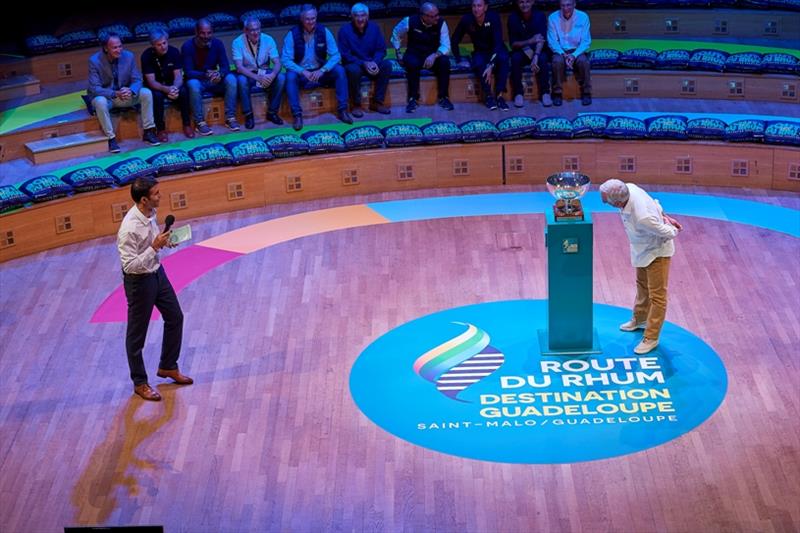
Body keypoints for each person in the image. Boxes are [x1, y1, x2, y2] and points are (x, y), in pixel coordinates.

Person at [117, 177, 193, 401]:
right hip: (139, 282)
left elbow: (152, 242)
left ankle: (168, 366)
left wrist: (165, 242)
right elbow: (129, 265)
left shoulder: (150, 214)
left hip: (157, 273)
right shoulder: (129, 229)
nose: (160, 196)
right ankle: (140, 382)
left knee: (175, 317)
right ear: (143, 199)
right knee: (136, 336)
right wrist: (154, 247)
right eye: (156, 194)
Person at [599, 179, 683, 355]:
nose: (604, 203)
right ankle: (640, 319)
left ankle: (651, 337)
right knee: (642, 285)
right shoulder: (629, 187)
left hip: (656, 252)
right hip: (640, 249)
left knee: (657, 296)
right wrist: (665, 216)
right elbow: (655, 204)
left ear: (618, 202)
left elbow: (669, 232)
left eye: (606, 201)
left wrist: (670, 225)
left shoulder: (643, 217)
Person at [282, 5, 353, 131]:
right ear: (301, 18)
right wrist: (302, 71)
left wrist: (323, 70)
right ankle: (297, 115)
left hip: (320, 72)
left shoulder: (324, 31)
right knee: (290, 76)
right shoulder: (292, 34)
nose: (311, 22)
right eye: (307, 19)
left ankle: (342, 110)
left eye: (313, 18)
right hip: (302, 73)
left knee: (340, 70)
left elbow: (336, 55)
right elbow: (285, 60)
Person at [88, 32, 160, 153]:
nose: (119, 50)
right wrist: (115, 93)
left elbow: (137, 80)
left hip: (125, 95)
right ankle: (111, 138)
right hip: (108, 98)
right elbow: (95, 88)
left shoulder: (129, 56)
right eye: (115, 47)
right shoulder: (94, 61)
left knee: (146, 92)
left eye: (120, 46)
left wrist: (130, 90)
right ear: (106, 48)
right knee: (100, 102)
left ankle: (148, 131)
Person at [391, 2, 454, 113]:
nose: (437, 18)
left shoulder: (441, 23)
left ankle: (444, 97)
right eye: (433, 16)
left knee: (445, 62)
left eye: (437, 14)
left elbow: (446, 45)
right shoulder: (409, 21)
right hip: (414, 53)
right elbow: (396, 33)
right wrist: (398, 52)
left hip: (432, 54)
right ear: (423, 16)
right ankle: (413, 98)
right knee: (412, 64)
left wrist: (434, 55)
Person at [182, 19, 240, 136]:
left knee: (231, 79)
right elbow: (188, 72)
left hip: (214, 80)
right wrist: (206, 75)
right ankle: (200, 122)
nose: (206, 36)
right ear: (197, 32)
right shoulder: (187, 46)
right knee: (192, 84)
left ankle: (230, 118)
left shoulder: (217, 43)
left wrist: (220, 74)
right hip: (199, 80)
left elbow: (225, 66)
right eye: (203, 33)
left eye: (209, 33)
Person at [451, 0, 509, 110]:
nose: (476, 9)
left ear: (485, 7)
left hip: (497, 49)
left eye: (479, 6)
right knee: (478, 63)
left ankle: (500, 96)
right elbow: (455, 40)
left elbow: (498, 42)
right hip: (480, 51)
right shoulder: (466, 20)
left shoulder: (493, 17)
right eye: (473, 6)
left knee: (503, 59)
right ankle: (488, 96)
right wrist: (458, 59)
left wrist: (491, 64)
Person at [338, 3, 392, 116]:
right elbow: (345, 54)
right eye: (357, 16)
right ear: (352, 17)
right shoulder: (344, 30)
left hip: (372, 62)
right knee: (353, 70)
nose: (360, 19)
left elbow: (381, 49)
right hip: (354, 64)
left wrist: (375, 62)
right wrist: (363, 63)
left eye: (363, 16)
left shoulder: (375, 28)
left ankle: (377, 102)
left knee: (387, 65)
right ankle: (356, 105)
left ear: (367, 16)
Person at [232, 16, 286, 129]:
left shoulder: (268, 39)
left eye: (258, 29)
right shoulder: (237, 42)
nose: (256, 32)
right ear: (245, 30)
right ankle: (249, 115)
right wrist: (256, 77)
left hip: (265, 72)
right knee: (241, 80)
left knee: (280, 78)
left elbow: (277, 63)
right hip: (248, 73)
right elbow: (239, 67)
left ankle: (272, 112)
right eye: (252, 30)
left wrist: (272, 75)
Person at [141, 29, 193, 141]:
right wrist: (166, 89)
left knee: (183, 91)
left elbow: (178, 76)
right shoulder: (146, 56)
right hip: (157, 87)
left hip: (171, 85)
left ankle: (187, 125)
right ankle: (160, 129)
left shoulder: (174, 52)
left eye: (164, 43)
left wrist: (174, 88)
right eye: (159, 45)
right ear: (153, 45)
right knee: (157, 96)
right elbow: (152, 82)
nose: (163, 47)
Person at [547, 0, 592, 106]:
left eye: (568, 5)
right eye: (562, 5)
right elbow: (552, 41)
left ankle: (586, 92)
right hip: (559, 50)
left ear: (574, 4)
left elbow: (586, 41)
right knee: (557, 62)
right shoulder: (552, 18)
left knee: (584, 62)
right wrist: (563, 54)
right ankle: (557, 93)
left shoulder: (583, 17)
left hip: (577, 50)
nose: (565, 8)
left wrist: (574, 55)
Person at [508, 0, 551, 108]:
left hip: (538, 49)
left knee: (543, 58)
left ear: (532, 2)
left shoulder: (540, 16)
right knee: (515, 58)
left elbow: (541, 39)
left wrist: (536, 56)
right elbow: (513, 44)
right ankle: (518, 93)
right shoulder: (512, 18)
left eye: (527, 1)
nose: (524, 4)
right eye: (521, 2)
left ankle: (545, 93)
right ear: (517, 3)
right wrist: (530, 41)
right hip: (522, 50)